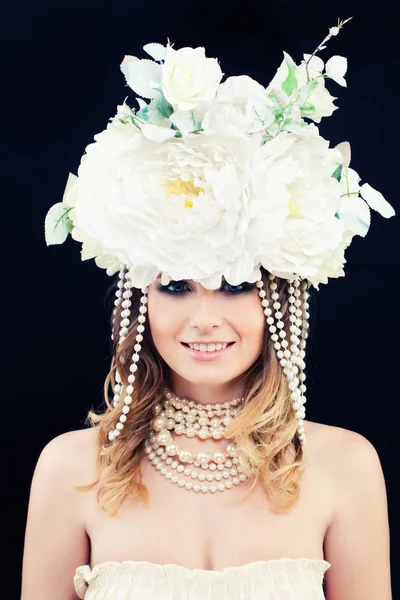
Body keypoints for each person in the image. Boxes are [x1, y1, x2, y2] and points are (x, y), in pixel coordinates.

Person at [22, 18, 393, 599]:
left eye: (235, 284)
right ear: (140, 297)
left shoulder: (345, 469)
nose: (203, 317)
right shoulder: (72, 472)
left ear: (278, 294)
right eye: (175, 287)